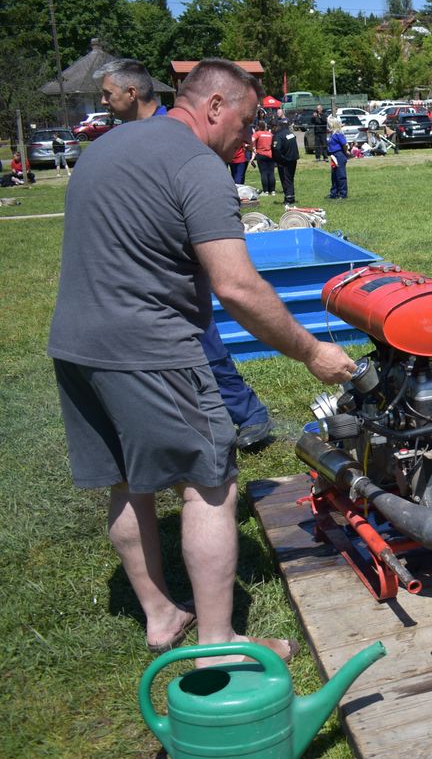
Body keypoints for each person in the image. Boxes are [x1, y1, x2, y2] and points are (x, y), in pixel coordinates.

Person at [47, 58, 357, 666]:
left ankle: (161, 615)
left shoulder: (106, 149)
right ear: (214, 106)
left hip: (76, 344)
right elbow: (236, 287)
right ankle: (218, 643)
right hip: (152, 348)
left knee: (126, 482)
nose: (247, 139)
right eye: (244, 124)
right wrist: (315, 350)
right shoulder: (197, 164)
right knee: (211, 484)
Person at [94, 57, 276, 451]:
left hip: (158, 306)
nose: (104, 102)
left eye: (108, 94)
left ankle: (248, 413)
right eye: (245, 123)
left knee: (204, 343)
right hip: (134, 314)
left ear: (131, 92)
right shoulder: (131, 142)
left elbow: (235, 284)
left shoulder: (190, 152)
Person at [272, 117, 299, 204]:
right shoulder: (289, 133)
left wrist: (279, 160)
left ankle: (289, 198)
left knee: (285, 179)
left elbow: (276, 149)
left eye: (271, 127)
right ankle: (291, 196)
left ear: (275, 126)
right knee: (290, 178)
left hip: (284, 161)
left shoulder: (278, 135)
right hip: (293, 159)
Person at [251, 119, 275, 196]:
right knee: (271, 173)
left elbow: (251, 140)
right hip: (270, 154)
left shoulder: (257, 134)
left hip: (261, 154)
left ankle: (266, 191)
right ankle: (273, 190)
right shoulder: (270, 134)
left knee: (264, 173)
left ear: (258, 127)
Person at [326, 118, 348, 198]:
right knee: (334, 175)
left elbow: (344, 144)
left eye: (329, 124)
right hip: (333, 155)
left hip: (339, 155)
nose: (328, 126)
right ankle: (334, 193)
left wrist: (346, 153)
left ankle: (343, 193)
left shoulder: (338, 134)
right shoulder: (332, 134)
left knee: (341, 175)